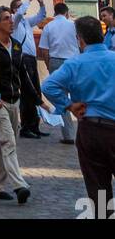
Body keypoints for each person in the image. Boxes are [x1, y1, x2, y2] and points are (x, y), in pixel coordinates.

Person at [42, 15, 115, 219]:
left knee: (99, 188)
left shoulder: (75, 63)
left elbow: (48, 86)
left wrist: (68, 105)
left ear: (79, 39)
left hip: (91, 129)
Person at [0, 5, 53, 204]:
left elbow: (24, 76)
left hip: (14, 100)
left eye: (11, 18)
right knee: (9, 141)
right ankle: (20, 185)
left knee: (2, 143)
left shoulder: (17, 45)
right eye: (6, 19)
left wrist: (39, 101)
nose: (12, 22)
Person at [38, 2, 80, 145]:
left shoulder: (49, 26)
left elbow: (44, 49)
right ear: (67, 13)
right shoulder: (74, 25)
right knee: (78, 94)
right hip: (74, 61)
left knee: (61, 97)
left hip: (56, 60)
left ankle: (68, 134)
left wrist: (48, 64)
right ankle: (83, 130)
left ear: (55, 13)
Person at [10, 0, 47, 137]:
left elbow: (41, 17)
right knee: (27, 93)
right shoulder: (15, 20)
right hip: (22, 59)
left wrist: (41, 3)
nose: (22, 8)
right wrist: (28, 0)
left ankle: (34, 125)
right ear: (14, 9)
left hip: (31, 59)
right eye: (19, 6)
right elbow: (19, 14)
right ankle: (26, 127)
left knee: (36, 91)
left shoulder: (26, 22)